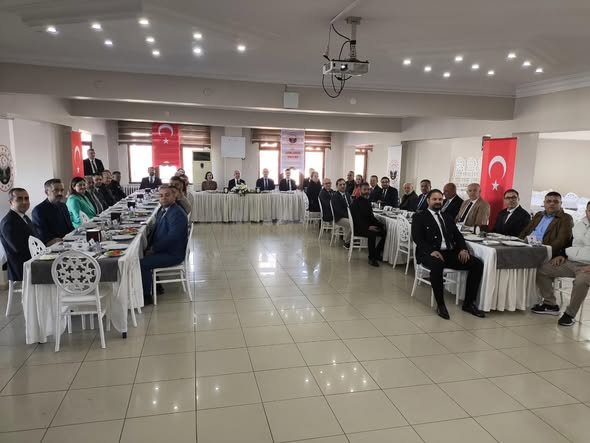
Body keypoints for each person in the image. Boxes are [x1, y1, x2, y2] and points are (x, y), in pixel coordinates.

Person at [412, 189, 485, 320]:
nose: (437, 202)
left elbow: (458, 235)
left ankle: (469, 303)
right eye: (434, 199)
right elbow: (417, 238)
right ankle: (440, 305)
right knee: (437, 264)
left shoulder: (447, 216)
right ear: (428, 201)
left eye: (440, 199)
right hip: (428, 253)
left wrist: (463, 249)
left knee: (477, 264)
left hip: (449, 252)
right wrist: (431, 251)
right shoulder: (420, 217)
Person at [533, 202, 590, 325]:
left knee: (581, 282)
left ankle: (570, 314)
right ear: (586, 211)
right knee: (542, 269)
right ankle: (550, 304)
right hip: (571, 261)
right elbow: (571, 242)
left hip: (587, 267)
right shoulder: (580, 225)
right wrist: (562, 255)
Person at [140, 185, 188, 305]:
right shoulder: (164, 210)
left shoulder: (176, 213)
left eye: (167, 195)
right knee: (140, 254)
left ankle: (146, 296)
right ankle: (156, 286)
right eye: (161, 196)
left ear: (174, 196)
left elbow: (173, 238)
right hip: (166, 249)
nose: (164, 198)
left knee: (142, 263)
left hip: (173, 253)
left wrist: (153, 249)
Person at [520, 191, 574, 258]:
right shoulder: (538, 215)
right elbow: (525, 231)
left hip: (542, 250)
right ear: (544, 203)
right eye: (548, 201)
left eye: (556, 202)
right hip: (525, 246)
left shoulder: (566, 218)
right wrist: (517, 242)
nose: (552, 204)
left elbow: (561, 241)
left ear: (561, 203)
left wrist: (544, 252)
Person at [0, 188, 36, 282]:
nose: (24, 202)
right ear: (11, 202)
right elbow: (19, 248)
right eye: (19, 199)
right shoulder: (8, 222)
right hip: (21, 268)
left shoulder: (24, 217)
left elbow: (34, 238)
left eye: (26, 198)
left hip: (31, 262)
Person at [350, 182, 386, 267]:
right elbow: (357, 219)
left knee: (384, 232)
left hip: (366, 226)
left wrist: (380, 225)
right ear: (360, 190)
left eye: (368, 189)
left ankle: (377, 253)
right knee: (372, 234)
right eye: (364, 190)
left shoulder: (367, 201)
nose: (367, 191)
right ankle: (371, 258)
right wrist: (368, 227)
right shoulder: (355, 203)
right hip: (358, 228)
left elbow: (371, 217)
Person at [32, 179, 74, 245]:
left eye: (62, 190)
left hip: (69, 242)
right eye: (56, 190)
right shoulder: (38, 210)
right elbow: (43, 236)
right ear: (46, 192)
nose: (60, 193)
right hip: (53, 246)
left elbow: (70, 227)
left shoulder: (63, 206)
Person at [331, 178, 352, 248]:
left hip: (347, 216)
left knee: (358, 221)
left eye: (344, 184)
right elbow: (338, 211)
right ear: (337, 186)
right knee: (352, 223)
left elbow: (350, 206)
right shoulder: (335, 196)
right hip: (339, 218)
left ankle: (352, 239)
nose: (343, 186)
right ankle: (347, 242)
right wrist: (349, 216)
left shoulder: (347, 194)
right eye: (340, 185)